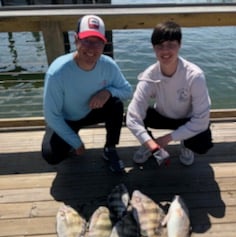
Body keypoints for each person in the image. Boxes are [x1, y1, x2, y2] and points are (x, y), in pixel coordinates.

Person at [41, 15, 132, 173]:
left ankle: (110, 148)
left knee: (116, 104)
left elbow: (127, 91)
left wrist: (108, 92)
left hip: (91, 111)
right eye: (86, 40)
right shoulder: (57, 72)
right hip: (66, 118)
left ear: (104, 44)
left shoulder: (108, 65)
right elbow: (52, 115)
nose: (91, 48)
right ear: (76, 40)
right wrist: (75, 142)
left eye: (97, 42)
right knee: (51, 155)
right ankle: (70, 141)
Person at [126, 21, 213, 167]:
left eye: (171, 44)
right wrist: (153, 144)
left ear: (180, 45)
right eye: (160, 46)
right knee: (133, 115)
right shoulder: (149, 76)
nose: (165, 51)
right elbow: (132, 117)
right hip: (162, 116)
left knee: (202, 143)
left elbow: (202, 120)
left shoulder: (195, 75)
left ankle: (186, 143)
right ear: (153, 48)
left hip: (186, 118)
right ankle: (149, 145)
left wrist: (166, 139)